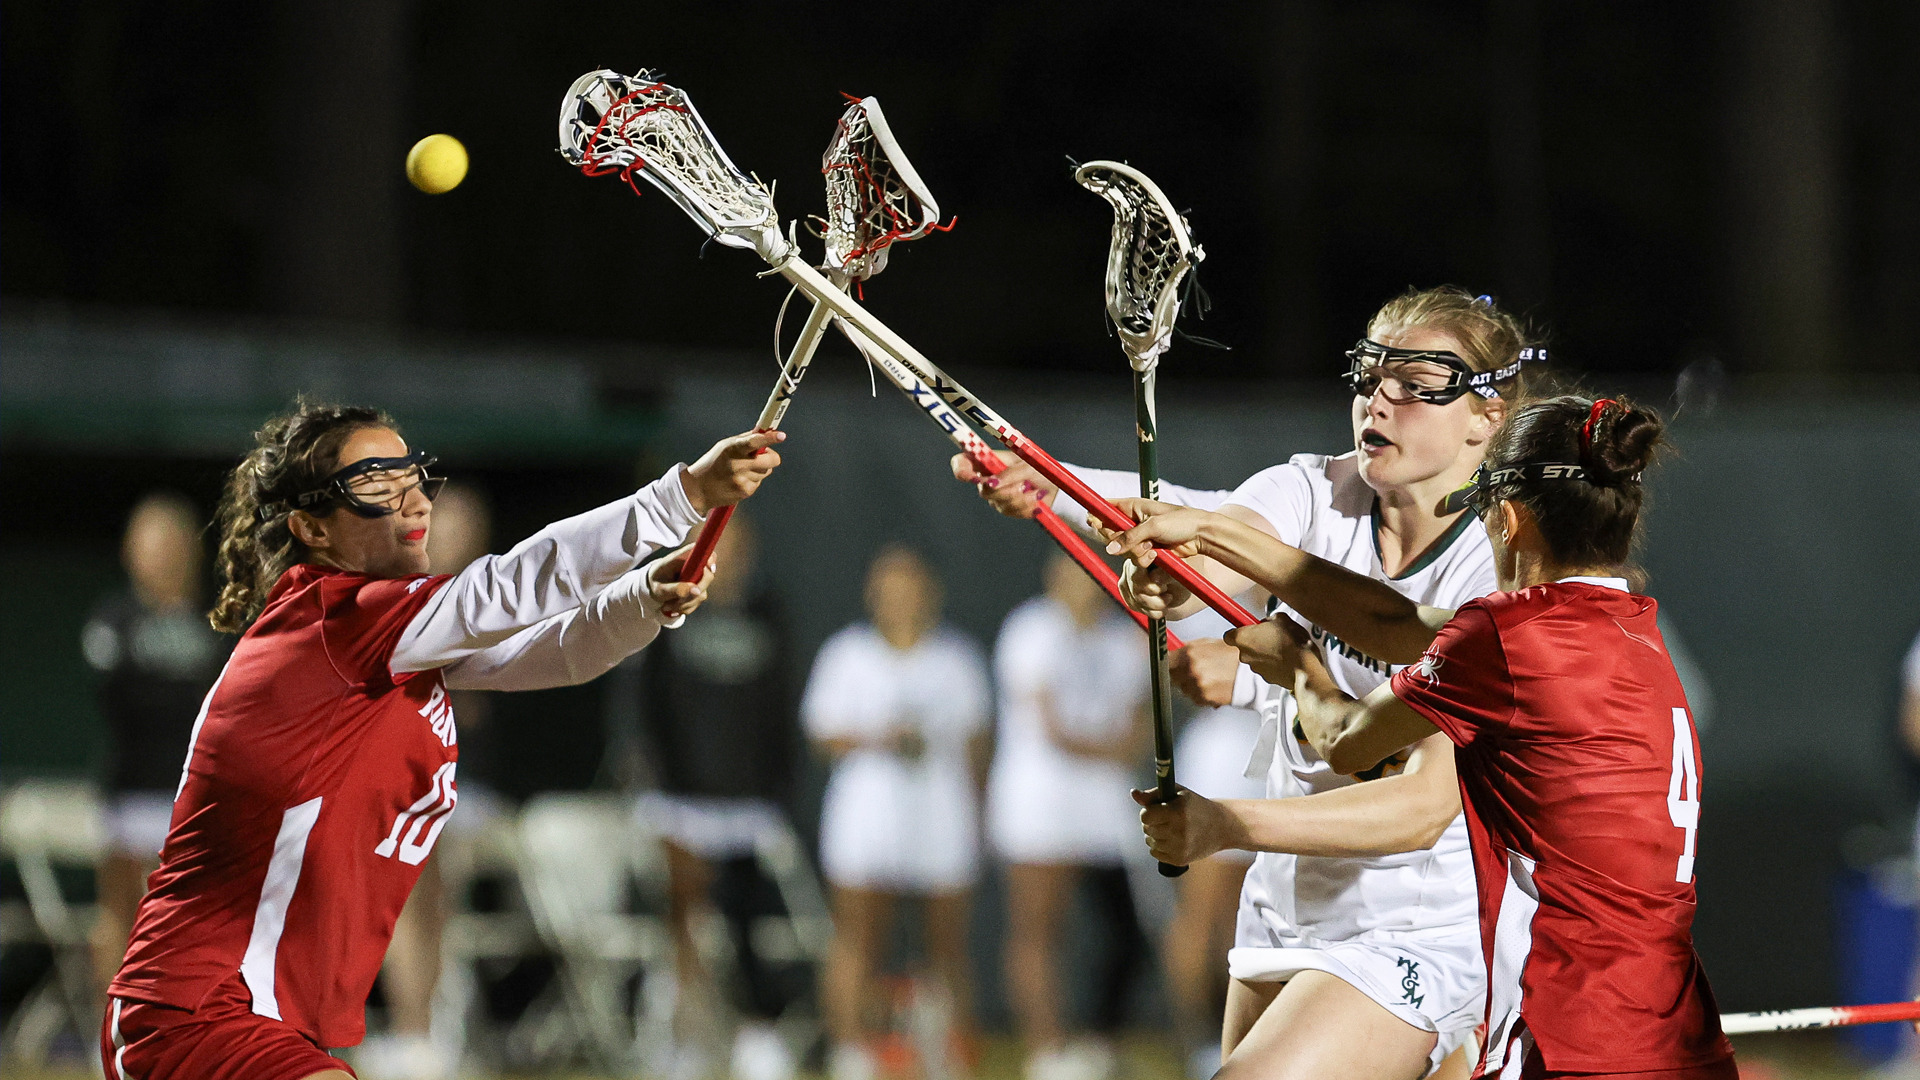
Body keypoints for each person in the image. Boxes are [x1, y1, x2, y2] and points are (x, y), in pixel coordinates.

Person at [101, 400, 781, 1080]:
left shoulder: (385, 645)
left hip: (264, 1021)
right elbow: (516, 584)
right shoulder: (333, 620)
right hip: (196, 1010)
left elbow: (557, 651)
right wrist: (681, 496)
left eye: (412, 474)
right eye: (374, 482)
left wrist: (642, 600)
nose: (411, 497)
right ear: (311, 526)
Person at [955, 286, 1531, 1078]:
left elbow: (1419, 809)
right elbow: (1213, 533)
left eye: (1419, 381)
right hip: (1287, 903)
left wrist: (1227, 822)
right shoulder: (1314, 488)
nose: (1380, 399)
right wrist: (1055, 488)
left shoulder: (1500, 572)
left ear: (1487, 416)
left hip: (1420, 921)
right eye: (1370, 374)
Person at [1114, 396, 1737, 1078]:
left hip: (1571, 1037)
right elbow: (1393, 620)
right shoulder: (1634, 634)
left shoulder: (1508, 640)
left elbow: (1348, 739)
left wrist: (1297, 668)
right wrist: (1210, 533)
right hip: (1671, 1028)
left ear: (1506, 518)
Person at [626, 513, 806, 1080]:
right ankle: (684, 1029)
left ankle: (757, 1031)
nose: (730, 560)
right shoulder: (669, 610)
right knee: (682, 914)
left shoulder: (770, 617)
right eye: (719, 547)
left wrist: (776, 789)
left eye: (740, 549)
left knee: (748, 918)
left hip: (748, 805)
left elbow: (780, 713)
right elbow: (645, 708)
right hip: (683, 800)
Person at [803, 545, 991, 1080]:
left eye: (910, 589)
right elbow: (822, 734)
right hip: (866, 817)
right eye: (890, 590)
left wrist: (977, 817)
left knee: (948, 945)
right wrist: (879, 737)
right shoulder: (846, 654)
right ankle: (852, 1050)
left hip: (940, 816)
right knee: (858, 936)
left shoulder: (956, 659)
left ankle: (949, 1052)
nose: (901, 601)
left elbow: (979, 745)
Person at [987, 552, 1152, 1080]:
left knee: (1125, 932)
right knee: (1040, 931)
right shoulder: (1030, 631)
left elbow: (1140, 728)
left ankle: (1100, 1043)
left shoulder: (1123, 639)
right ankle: (1047, 1050)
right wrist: (1111, 748)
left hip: (1106, 811)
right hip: (1040, 807)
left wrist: (1113, 747)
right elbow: (1052, 729)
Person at [361, 480, 495, 1080]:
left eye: (469, 528)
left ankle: (426, 1029)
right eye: (449, 524)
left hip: (456, 782)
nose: (457, 537)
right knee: (408, 898)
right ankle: (414, 1029)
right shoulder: (395, 594)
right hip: (396, 777)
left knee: (432, 900)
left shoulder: (486, 599)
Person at [83, 493, 229, 994]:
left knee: (192, 921)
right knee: (123, 917)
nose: (160, 556)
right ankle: (119, 1034)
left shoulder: (220, 620)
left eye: (169, 543)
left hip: (201, 797)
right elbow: (119, 697)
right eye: (148, 544)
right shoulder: (114, 618)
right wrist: (182, 694)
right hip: (131, 790)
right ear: (129, 552)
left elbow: (229, 703)